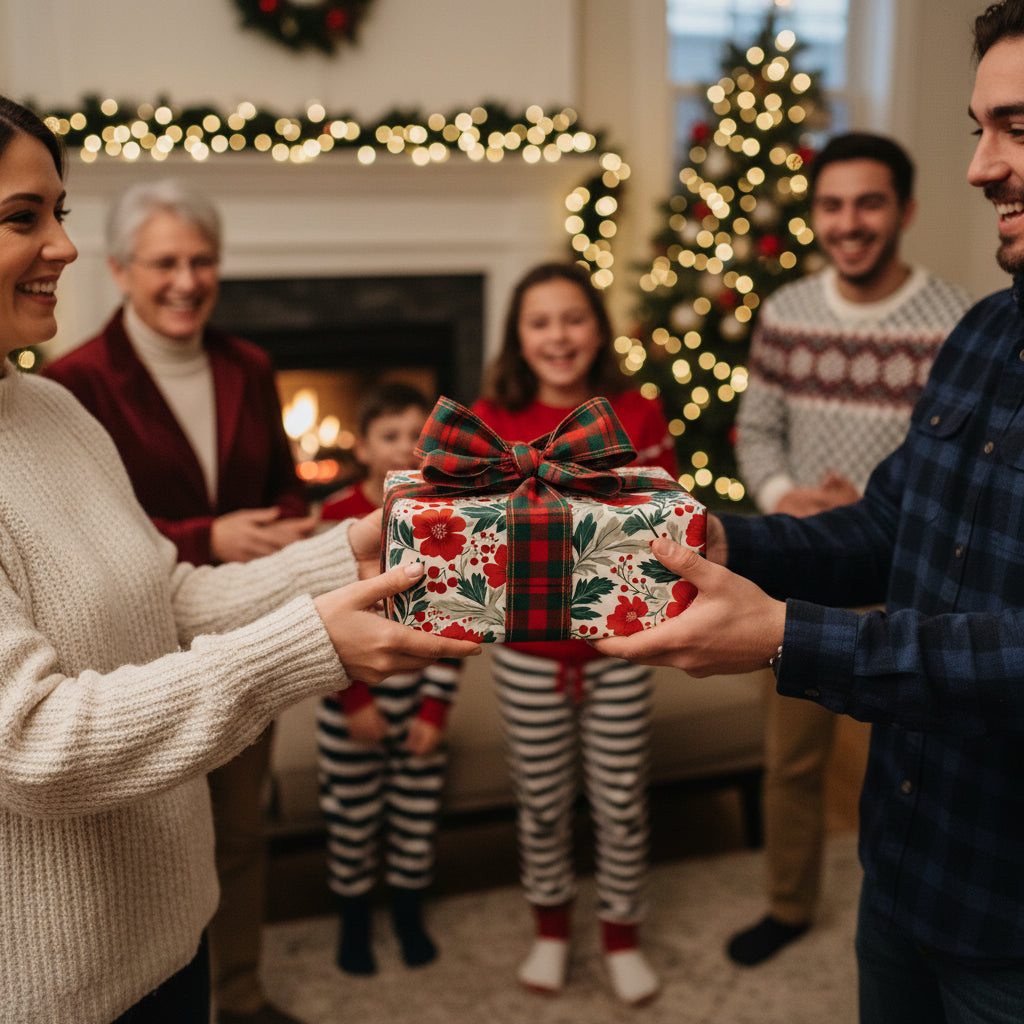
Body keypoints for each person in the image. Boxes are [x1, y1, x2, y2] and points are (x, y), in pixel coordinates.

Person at [0, 95, 479, 1024]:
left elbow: (166, 596)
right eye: (24, 217)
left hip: (171, 937)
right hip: (56, 990)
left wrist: (346, 551)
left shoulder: (53, 409)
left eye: (60, 210)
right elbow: (32, 742)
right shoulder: (83, 380)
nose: (64, 245)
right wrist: (306, 647)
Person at [595, 3, 1024, 1018]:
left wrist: (788, 636)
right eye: (979, 130)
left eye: (1020, 128)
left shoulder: (939, 314)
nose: (980, 167)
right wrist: (722, 537)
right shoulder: (982, 335)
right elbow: (888, 527)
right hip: (907, 866)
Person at [42, 179, 315, 1024]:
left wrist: (304, 529)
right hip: (132, 663)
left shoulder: (250, 366)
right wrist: (209, 535)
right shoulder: (72, 385)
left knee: (241, 833)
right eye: (165, 263)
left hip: (246, 629)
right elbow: (81, 537)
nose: (187, 281)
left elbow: (282, 486)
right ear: (121, 271)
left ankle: (241, 994)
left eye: (203, 261)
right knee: (157, 844)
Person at [728, 132, 972, 966]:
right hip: (805, 572)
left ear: (905, 210)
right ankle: (788, 903)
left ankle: (904, 916)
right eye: (831, 205)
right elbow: (758, 430)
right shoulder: (786, 312)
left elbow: (953, 462)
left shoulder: (957, 323)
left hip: (910, 585)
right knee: (792, 760)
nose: (849, 222)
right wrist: (783, 501)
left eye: (869, 203)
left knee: (911, 768)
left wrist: (869, 511)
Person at [470, 261, 678, 1007]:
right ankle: (551, 929)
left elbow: (665, 523)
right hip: (528, 656)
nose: (558, 336)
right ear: (517, 336)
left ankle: (621, 933)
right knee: (541, 800)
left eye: (573, 318)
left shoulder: (638, 413)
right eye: (540, 322)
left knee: (621, 798)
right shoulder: (490, 421)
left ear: (597, 327)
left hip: (622, 650)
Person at [316, 382, 459, 976]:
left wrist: (435, 710)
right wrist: (352, 701)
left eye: (416, 436)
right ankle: (353, 917)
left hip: (417, 696)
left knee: (415, 813)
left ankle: (407, 909)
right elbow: (317, 619)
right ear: (363, 447)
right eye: (389, 435)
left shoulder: (444, 514)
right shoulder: (335, 517)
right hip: (349, 702)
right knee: (351, 815)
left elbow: (456, 621)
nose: (404, 447)